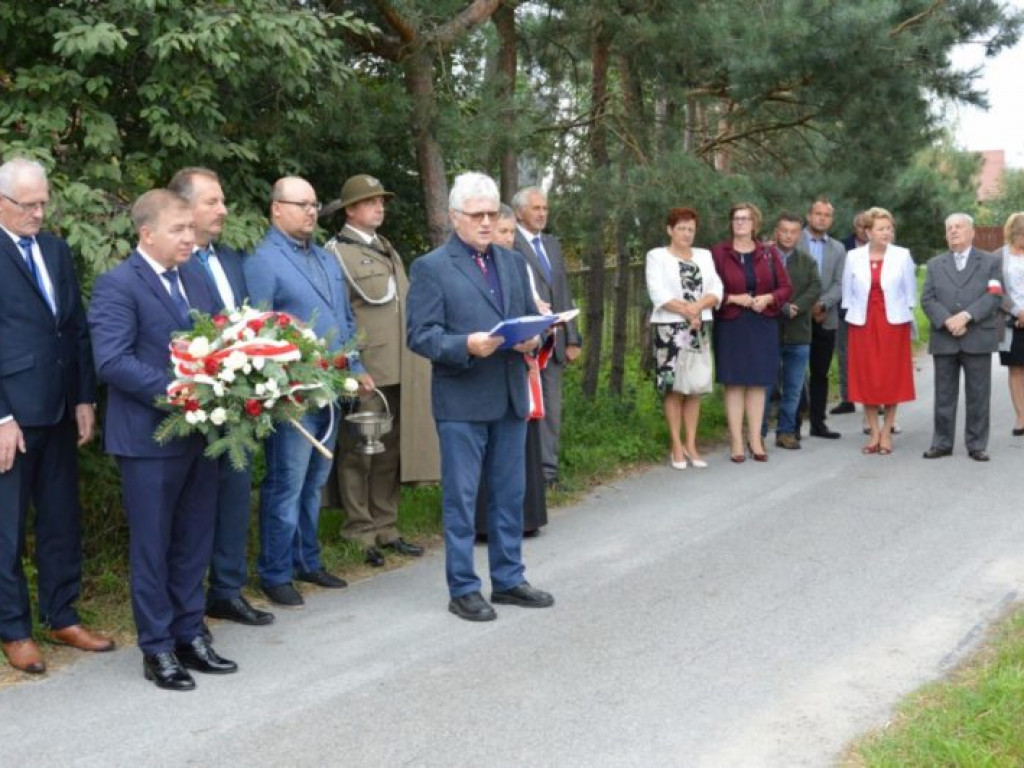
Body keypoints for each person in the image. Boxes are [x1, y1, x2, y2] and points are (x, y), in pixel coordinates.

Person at [90, 189, 236, 691]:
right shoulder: (117, 285)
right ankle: (156, 648)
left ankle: (189, 634)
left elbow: (219, 341)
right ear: (147, 233)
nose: (189, 238)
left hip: (200, 435)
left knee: (194, 540)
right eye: (178, 230)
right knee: (153, 546)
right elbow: (112, 360)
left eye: (191, 228)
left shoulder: (195, 277)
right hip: (147, 440)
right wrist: (181, 391)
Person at [407, 172, 554, 622]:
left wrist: (533, 338)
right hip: (462, 399)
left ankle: (508, 579)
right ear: (455, 217)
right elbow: (420, 335)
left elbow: (525, 317)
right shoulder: (431, 267)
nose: (487, 222)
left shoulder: (511, 261)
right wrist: (464, 345)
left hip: (509, 394)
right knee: (462, 499)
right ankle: (464, 588)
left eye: (492, 213)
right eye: (477, 215)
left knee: (510, 494)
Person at [0, 158, 113, 675]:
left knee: (61, 519)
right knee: (6, 528)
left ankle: (61, 615)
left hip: (60, 408)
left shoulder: (55, 250)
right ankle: (14, 630)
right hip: (11, 417)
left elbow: (75, 328)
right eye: (29, 205)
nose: (40, 213)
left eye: (44, 203)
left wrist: (84, 397)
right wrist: (1, 418)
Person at [244, 177, 372, 607]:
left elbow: (345, 318)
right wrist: (281, 386)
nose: (311, 212)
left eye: (315, 204)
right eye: (301, 204)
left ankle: (307, 560)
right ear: (276, 208)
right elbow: (258, 328)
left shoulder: (324, 257)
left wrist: (356, 367)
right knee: (287, 483)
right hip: (293, 395)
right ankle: (275, 572)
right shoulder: (262, 259)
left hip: (333, 388)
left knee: (315, 481)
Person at [167, 167, 274, 630]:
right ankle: (185, 600)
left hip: (239, 401)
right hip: (193, 404)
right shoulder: (172, 263)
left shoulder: (231, 259)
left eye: (223, 201)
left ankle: (227, 590)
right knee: (192, 507)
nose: (223, 210)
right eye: (212, 201)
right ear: (184, 207)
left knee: (235, 495)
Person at [323, 174, 438, 568]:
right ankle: (359, 530)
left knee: (389, 451)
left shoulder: (385, 248)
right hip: (367, 369)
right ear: (351, 210)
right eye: (371, 201)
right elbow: (337, 315)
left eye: (381, 201)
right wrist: (350, 365)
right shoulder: (337, 253)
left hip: (402, 364)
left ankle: (386, 526)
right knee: (359, 452)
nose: (380, 207)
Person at [476, 204, 549, 535]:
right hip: (482, 371)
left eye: (509, 232)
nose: (506, 238)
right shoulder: (475, 267)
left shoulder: (517, 264)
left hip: (518, 367)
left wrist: (536, 331)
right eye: (501, 231)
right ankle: (485, 523)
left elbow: (530, 309)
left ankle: (524, 517)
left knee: (519, 450)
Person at [512, 186, 582, 488]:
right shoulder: (509, 242)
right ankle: (525, 477)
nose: (542, 214)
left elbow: (563, 291)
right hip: (525, 343)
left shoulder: (551, 244)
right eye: (536, 208)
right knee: (524, 410)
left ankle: (548, 475)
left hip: (554, 343)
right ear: (519, 212)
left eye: (545, 208)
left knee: (552, 411)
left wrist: (573, 337)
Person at [711, 202, 792, 462]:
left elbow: (785, 287)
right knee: (734, 383)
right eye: (736, 218)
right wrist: (733, 298)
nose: (740, 223)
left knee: (758, 383)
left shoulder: (768, 253)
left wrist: (768, 298)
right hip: (731, 324)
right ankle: (736, 441)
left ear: (754, 223)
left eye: (745, 218)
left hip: (762, 324)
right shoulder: (719, 253)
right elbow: (710, 290)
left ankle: (755, 439)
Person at [921, 213, 1003, 461]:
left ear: (972, 232)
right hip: (944, 337)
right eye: (949, 228)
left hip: (977, 336)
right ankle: (942, 443)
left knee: (978, 395)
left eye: (959, 227)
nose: (954, 231)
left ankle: (977, 444)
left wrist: (966, 316)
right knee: (944, 395)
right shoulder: (935, 264)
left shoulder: (990, 261)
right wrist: (948, 320)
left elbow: (994, 295)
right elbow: (927, 299)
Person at [645, 207, 722, 467]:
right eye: (681, 229)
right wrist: (688, 311)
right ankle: (676, 445)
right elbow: (658, 293)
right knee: (674, 387)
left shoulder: (704, 255)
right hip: (670, 328)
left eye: (691, 229)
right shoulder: (657, 256)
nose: (687, 234)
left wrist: (697, 308)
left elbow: (716, 288)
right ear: (670, 230)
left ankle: (691, 443)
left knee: (694, 387)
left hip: (699, 326)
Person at [841, 207, 916, 455]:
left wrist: (906, 321)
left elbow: (910, 294)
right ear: (868, 232)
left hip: (893, 324)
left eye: (889, 228)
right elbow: (847, 294)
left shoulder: (902, 255)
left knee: (891, 377)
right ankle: (873, 432)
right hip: (862, 324)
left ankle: (887, 431)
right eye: (881, 229)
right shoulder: (853, 257)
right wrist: (855, 317)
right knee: (867, 378)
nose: (887, 233)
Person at [765, 213, 821, 450]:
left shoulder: (807, 261)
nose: (788, 236)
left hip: (799, 334)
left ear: (800, 235)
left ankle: (786, 432)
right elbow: (761, 287)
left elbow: (815, 287)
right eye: (784, 231)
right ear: (776, 232)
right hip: (769, 333)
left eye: (793, 231)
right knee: (765, 387)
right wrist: (782, 306)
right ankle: (758, 433)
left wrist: (797, 306)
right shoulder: (764, 258)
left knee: (793, 388)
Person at [799, 197, 846, 439]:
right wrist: (807, 306)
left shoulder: (838, 248)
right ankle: (793, 425)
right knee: (795, 372)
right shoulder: (794, 240)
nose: (822, 218)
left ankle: (818, 423)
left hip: (825, 318)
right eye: (818, 213)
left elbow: (840, 283)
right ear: (809, 216)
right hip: (797, 316)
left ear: (831, 220)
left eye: (827, 215)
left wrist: (823, 304)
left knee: (820, 372)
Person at [833, 211, 870, 415]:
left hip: (873, 310)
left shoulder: (881, 247)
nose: (865, 231)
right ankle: (847, 398)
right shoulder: (842, 247)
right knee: (845, 354)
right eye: (861, 227)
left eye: (868, 226)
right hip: (846, 310)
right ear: (855, 228)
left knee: (872, 356)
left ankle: (875, 397)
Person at [998, 212, 1024, 436]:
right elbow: (995, 291)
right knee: (1015, 368)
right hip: (1009, 321)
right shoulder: (998, 257)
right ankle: (1021, 416)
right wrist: (1018, 312)